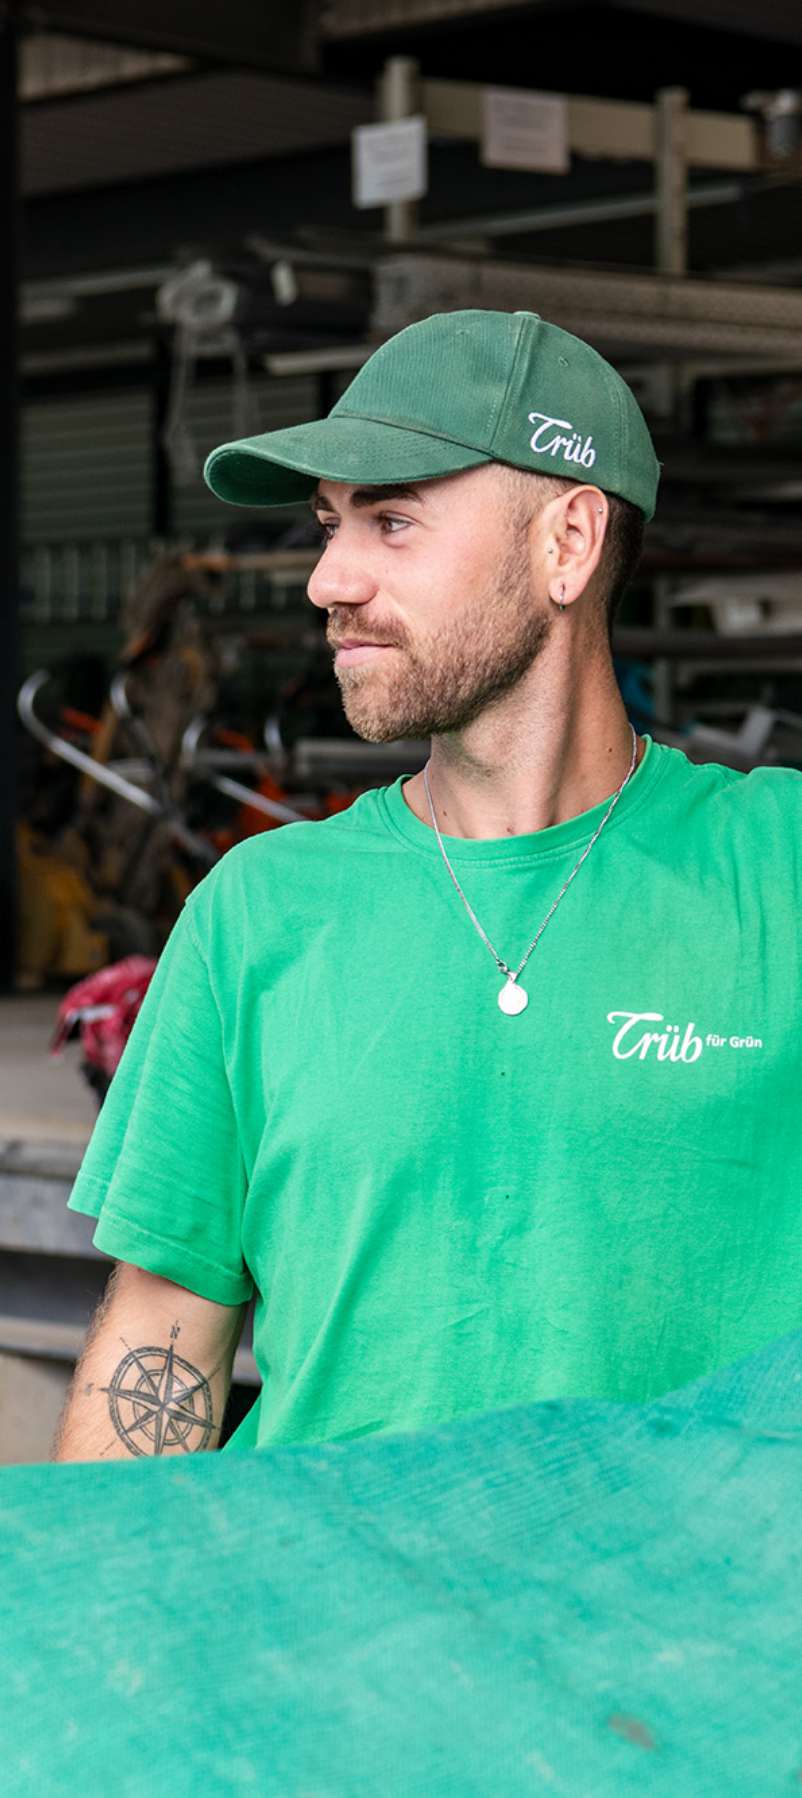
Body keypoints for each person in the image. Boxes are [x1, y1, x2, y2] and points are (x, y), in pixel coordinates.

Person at [54, 309, 802, 1462]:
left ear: (567, 541)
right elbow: (156, 1346)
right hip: (321, 1578)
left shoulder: (776, 868)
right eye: (328, 524)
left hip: (684, 1580)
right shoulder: (257, 913)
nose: (328, 579)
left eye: (391, 520)